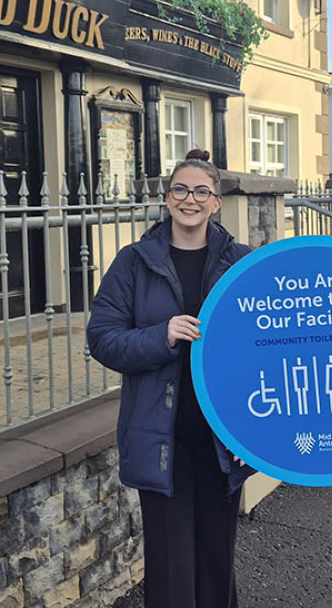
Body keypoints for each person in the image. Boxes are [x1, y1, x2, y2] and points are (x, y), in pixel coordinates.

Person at [87, 149, 254, 608]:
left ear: (217, 202)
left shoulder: (242, 263)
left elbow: (268, 348)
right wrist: (162, 335)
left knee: (218, 560)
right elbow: (102, 339)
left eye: (202, 191)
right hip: (161, 439)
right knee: (170, 566)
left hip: (223, 440)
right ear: (167, 198)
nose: (191, 199)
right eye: (181, 190)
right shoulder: (134, 262)